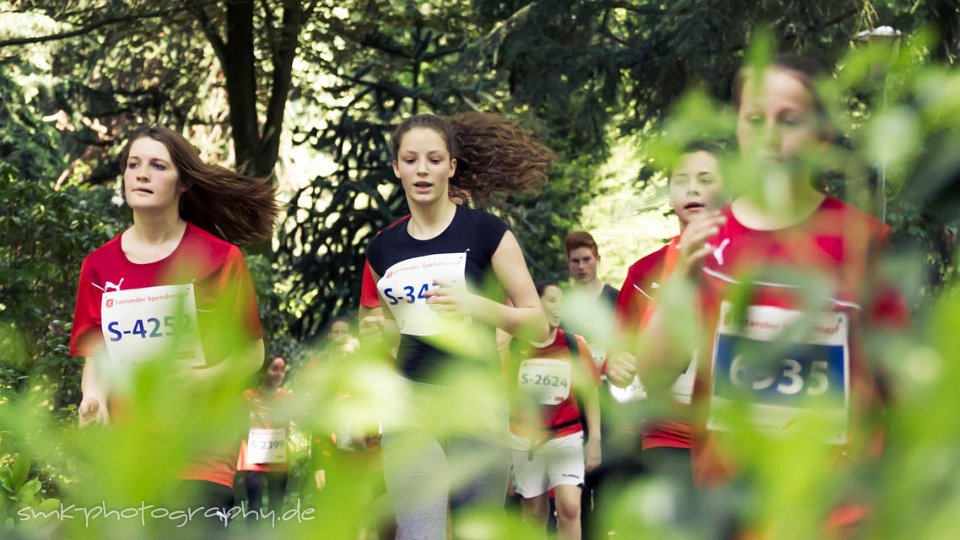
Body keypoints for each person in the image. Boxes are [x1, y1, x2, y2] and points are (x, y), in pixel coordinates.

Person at [607, 55, 909, 530]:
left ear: (823, 134)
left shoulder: (863, 240)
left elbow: (899, 385)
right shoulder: (705, 239)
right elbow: (656, 375)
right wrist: (683, 282)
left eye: (789, 120)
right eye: (755, 119)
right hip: (734, 508)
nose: (770, 135)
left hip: (836, 510)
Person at [70, 125, 278, 525]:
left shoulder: (220, 258)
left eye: (157, 165)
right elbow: (97, 357)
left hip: (199, 453)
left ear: (183, 182)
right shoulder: (98, 266)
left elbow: (252, 353)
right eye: (133, 165)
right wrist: (91, 400)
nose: (142, 174)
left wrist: (202, 377)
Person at [364, 112, 553, 539]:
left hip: (476, 401)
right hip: (411, 401)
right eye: (410, 160)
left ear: (451, 166)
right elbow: (395, 329)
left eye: (434, 159)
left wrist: (475, 305)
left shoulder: (488, 232)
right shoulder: (382, 248)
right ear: (396, 168)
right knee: (418, 531)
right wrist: (379, 331)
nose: (422, 170)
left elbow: (537, 323)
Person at [508, 281, 602, 540]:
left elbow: (590, 393)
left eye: (561, 301)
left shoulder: (574, 344)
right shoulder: (515, 346)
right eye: (551, 300)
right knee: (535, 514)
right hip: (525, 439)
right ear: (536, 303)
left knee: (570, 507)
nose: (557, 307)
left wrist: (595, 439)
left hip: (567, 435)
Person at [237, 353, 292, 517]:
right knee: (254, 507)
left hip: (279, 459)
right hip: (254, 460)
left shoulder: (287, 397)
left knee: (276, 509)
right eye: (274, 369)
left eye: (282, 370)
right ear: (262, 371)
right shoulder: (247, 396)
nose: (279, 374)